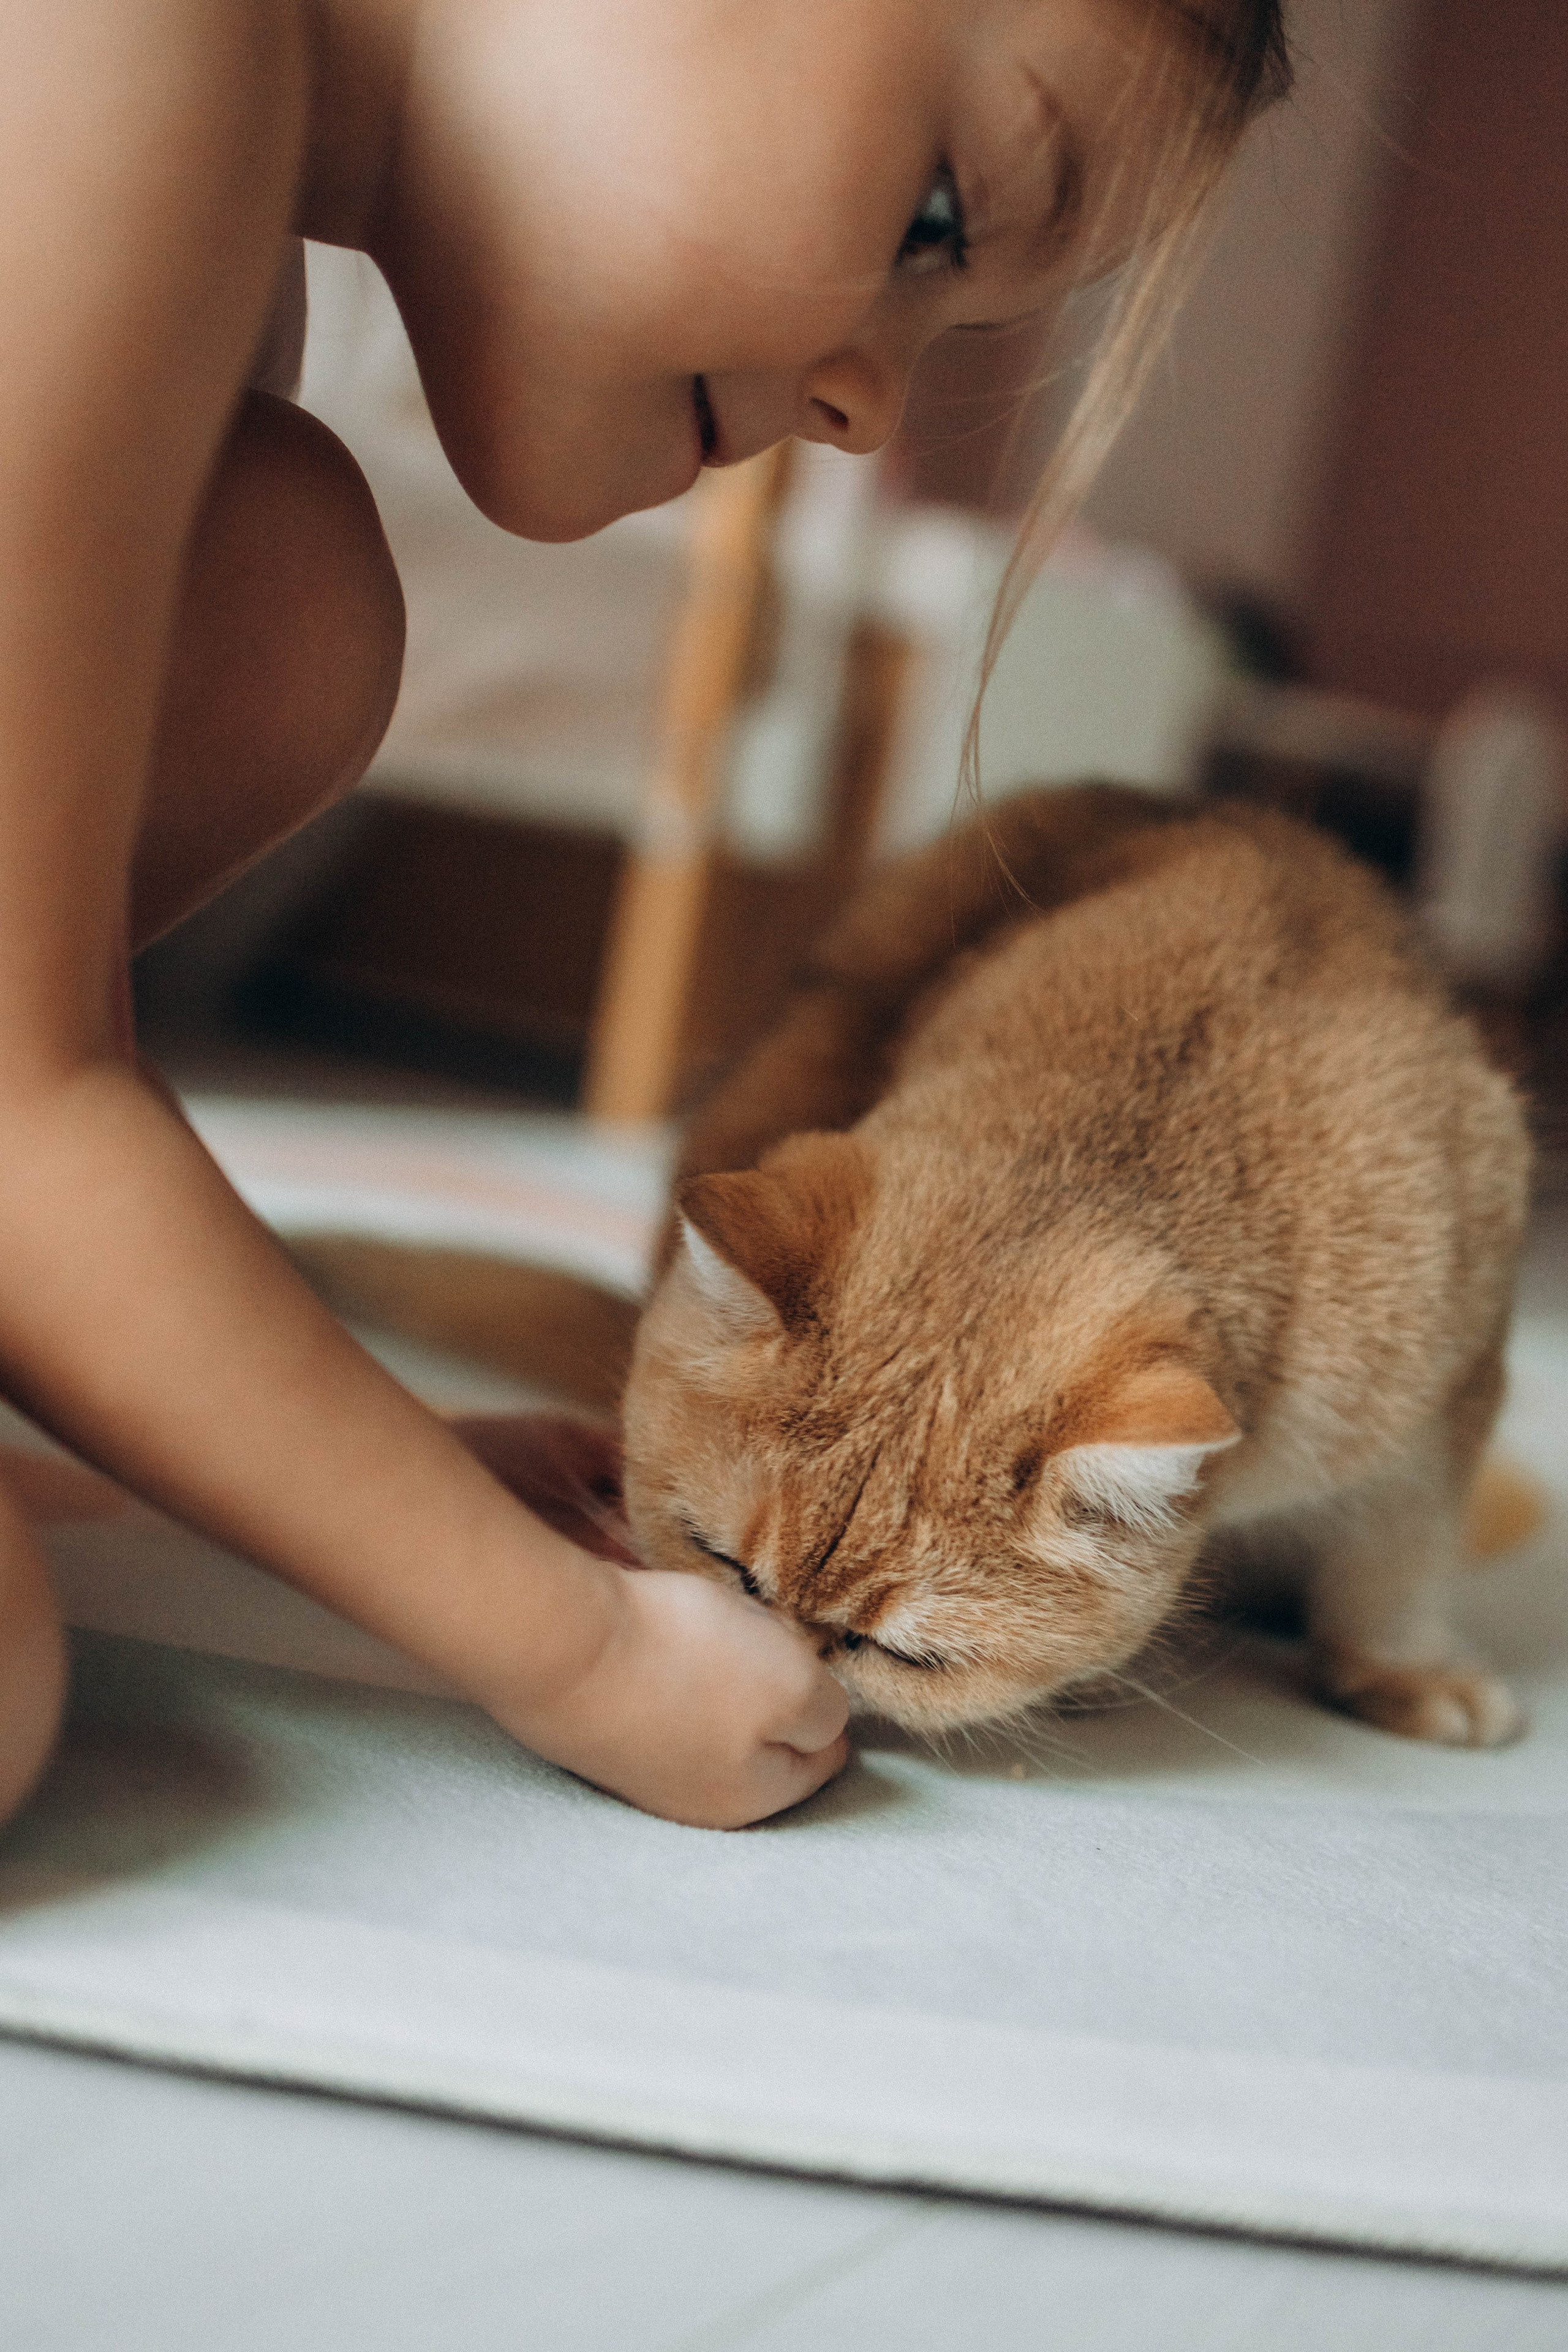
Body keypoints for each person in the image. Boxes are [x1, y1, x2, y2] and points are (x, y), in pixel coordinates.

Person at [0, 0, 1289, 1831]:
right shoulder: (121, 51)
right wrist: (570, 1652)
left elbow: (50, 1079)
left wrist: (359, 1479)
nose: (870, 406)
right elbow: (20, 1119)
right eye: (939, 217)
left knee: (281, 588)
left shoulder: (231, 249)